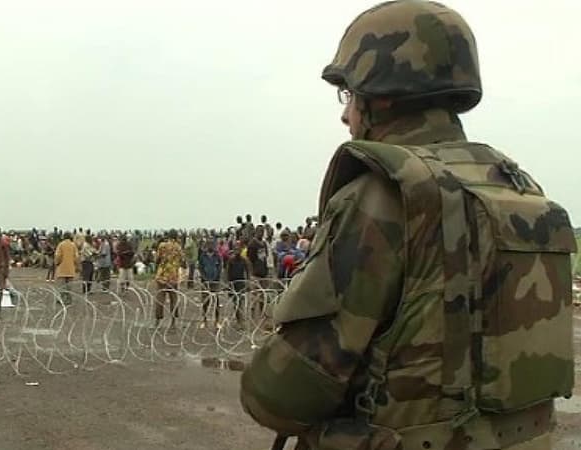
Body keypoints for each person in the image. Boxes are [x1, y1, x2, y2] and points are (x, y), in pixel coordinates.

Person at [239, 2, 577, 449]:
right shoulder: (518, 187)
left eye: (349, 95)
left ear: (380, 96)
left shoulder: (384, 196)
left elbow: (280, 395)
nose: (345, 115)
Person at [154, 230, 184, 328]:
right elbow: (183, 261)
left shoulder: (162, 245)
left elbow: (157, 259)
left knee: (160, 299)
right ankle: (173, 322)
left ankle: (157, 321)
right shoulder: (178, 247)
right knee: (173, 299)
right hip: (173, 276)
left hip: (162, 275)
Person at [225, 241, 251, 328]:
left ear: (240, 250)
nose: (237, 251)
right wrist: (228, 284)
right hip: (233, 283)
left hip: (241, 283)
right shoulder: (231, 260)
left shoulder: (244, 260)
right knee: (235, 303)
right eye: (235, 249)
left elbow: (248, 272)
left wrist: (248, 282)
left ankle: (240, 321)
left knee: (240, 302)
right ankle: (238, 320)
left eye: (238, 249)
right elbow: (227, 272)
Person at [198, 240, 222, 327]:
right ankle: (204, 320)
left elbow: (219, 268)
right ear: (206, 246)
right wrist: (204, 278)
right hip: (205, 282)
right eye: (209, 245)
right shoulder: (202, 256)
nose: (211, 247)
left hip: (215, 282)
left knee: (216, 301)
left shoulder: (217, 256)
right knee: (205, 302)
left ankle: (217, 321)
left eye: (212, 245)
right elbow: (200, 268)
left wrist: (216, 278)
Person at [54, 232, 79, 304]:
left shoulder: (61, 245)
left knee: (62, 286)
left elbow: (58, 256)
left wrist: (57, 263)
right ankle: (69, 299)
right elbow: (76, 257)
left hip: (62, 268)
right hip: (71, 268)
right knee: (69, 286)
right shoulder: (73, 245)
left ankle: (61, 299)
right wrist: (77, 266)